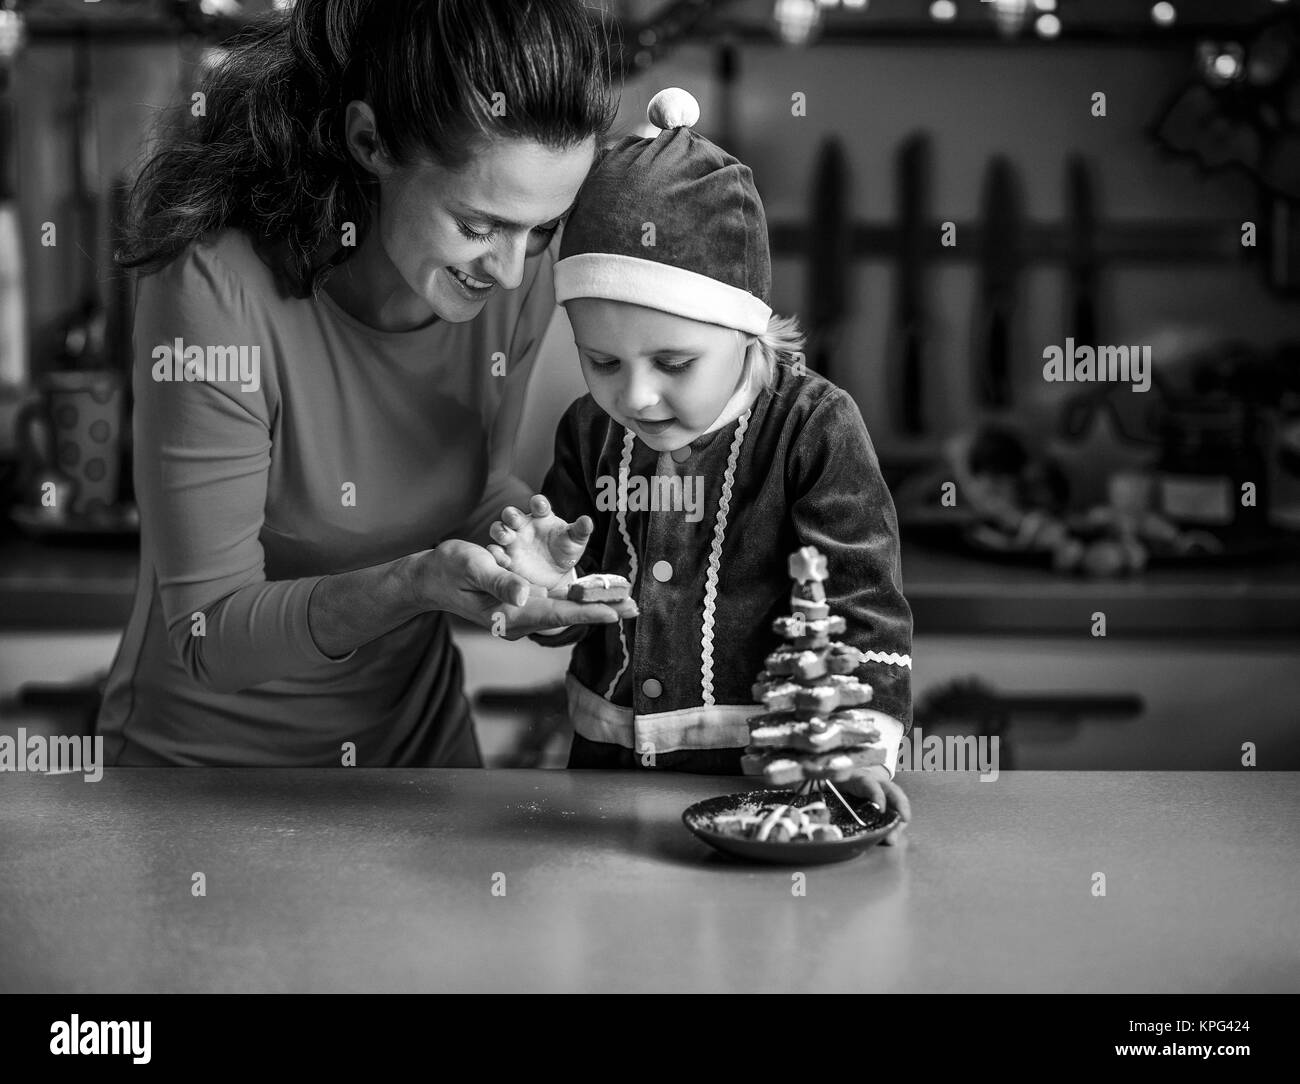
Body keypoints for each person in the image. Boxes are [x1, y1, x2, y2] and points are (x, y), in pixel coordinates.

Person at [96, 0, 634, 767]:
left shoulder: (511, 278)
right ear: (370, 141)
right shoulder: (213, 288)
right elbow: (208, 633)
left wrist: (536, 563)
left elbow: (465, 486)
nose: (513, 270)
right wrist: (415, 585)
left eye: (542, 230)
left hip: (417, 754)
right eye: (478, 226)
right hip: (207, 775)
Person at [487, 91, 914, 840]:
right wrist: (545, 588)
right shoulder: (588, 432)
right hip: (606, 768)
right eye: (602, 361)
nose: (637, 395)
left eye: (674, 362)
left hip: (773, 770)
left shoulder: (812, 427)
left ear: (746, 329)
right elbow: (568, 608)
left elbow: (859, 599)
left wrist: (854, 744)